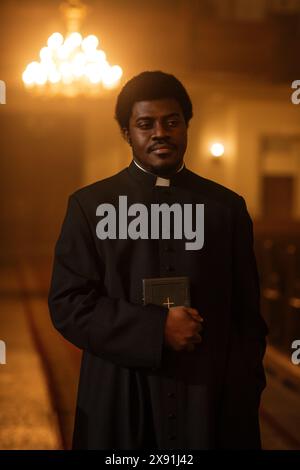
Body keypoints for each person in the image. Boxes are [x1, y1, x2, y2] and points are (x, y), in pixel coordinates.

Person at [48, 71, 268, 450]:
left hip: (209, 393)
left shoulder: (226, 208)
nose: (160, 133)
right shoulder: (90, 206)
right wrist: (155, 329)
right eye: (145, 124)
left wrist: (243, 386)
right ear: (126, 133)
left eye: (171, 121)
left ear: (186, 126)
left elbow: (248, 315)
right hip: (120, 389)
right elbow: (68, 304)